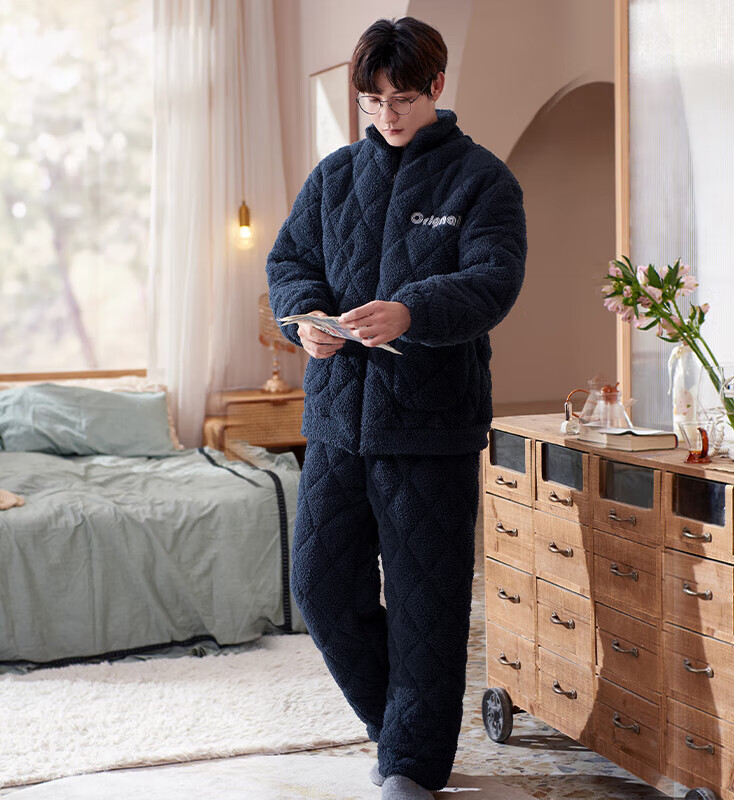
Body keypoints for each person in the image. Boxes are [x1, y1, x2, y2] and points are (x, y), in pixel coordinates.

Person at [266, 16, 527, 800]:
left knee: (427, 603)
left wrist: (412, 310)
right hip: (339, 421)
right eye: (372, 101)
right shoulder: (335, 176)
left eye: (402, 98)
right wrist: (306, 319)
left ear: (438, 87)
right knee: (318, 584)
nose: (387, 114)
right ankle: (400, 725)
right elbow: (289, 262)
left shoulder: (481, 179)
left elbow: (494, 279)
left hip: (431, 427)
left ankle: (411, 768)